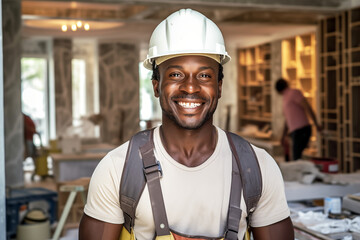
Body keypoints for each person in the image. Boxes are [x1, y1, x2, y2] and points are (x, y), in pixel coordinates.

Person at [79, 9, 294, 240]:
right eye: (175, 75)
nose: (190, 87)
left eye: (204, 76)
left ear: (219, 87)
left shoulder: (258, 167)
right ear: (156, 86)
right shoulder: (117, 169)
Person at [275, 78, 322, 161]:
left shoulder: (294, 93)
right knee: (295, 157)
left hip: (302, 130)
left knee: (296, 157)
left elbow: (307, 107)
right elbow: (288, 119)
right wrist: (283, 136)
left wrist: (316, 124)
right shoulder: (286, 98)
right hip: (296, 131)